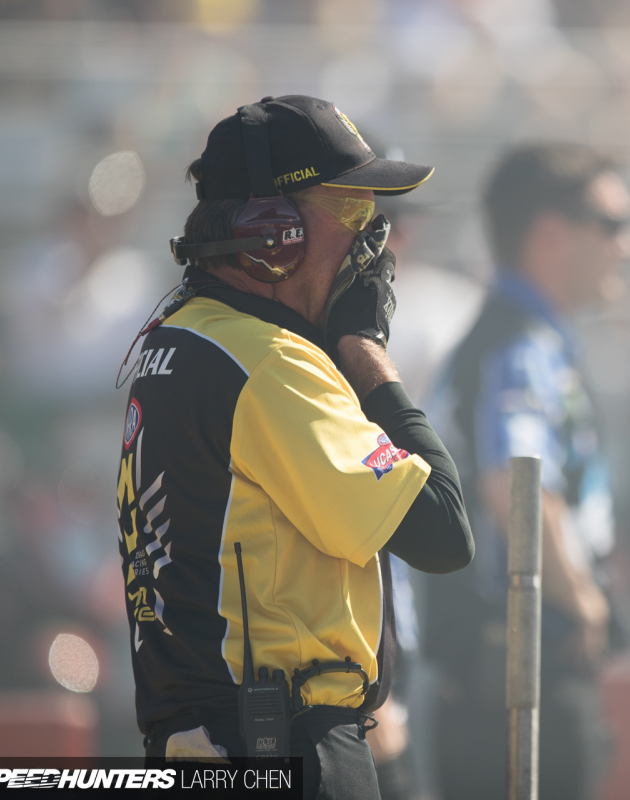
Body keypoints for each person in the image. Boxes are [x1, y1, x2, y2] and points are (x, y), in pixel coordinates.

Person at [116, 95, 473, 799]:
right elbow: (442, 528)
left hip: (208, 741)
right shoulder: (270, 361)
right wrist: (364, 351)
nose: (375, 241)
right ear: (268, 233)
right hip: (281, 745)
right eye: (352, 214)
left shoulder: (175, 339)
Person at [425, 142, 630, 800]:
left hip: (505, 678)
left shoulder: (518, 338)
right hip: (514, 683)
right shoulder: (520, 348)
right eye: (612, 226)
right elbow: (512, 484)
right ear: (550, 234)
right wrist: (584, 599)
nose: (628, 246)